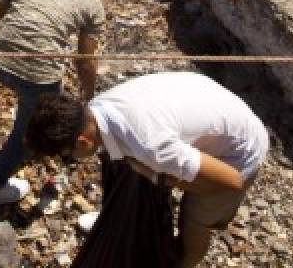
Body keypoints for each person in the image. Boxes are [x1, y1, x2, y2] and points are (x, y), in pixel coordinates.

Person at [27, 73, 269, 268]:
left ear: (82, 142)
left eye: (67, 156)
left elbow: (232, 181)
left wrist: (160, 177)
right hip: (210, 104)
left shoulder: (151, 146)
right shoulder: (96, 110)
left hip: (239, 154)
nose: (71, 160)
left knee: (193, 220)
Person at [0, 0, 106, 207]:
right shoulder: (91, 0)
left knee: (35, 99)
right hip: (36, 76)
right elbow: (85, 60)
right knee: (30, 132)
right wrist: (90, 98)